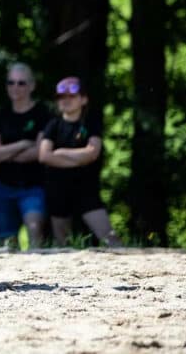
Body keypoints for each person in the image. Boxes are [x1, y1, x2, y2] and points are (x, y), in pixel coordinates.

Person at [38, 76, 122, 247]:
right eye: (62, 96)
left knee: (110, 238)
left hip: (86, 190)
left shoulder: (91, 123)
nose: (66, 100)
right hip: (58, 190)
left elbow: (92, 153)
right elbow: (44, 156)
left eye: (72, 96)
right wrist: (79, 159)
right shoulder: (53, 125)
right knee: (63, 244)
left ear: (83, 99)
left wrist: (61, 153)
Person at [0, 62, 52, 249]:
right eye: (11, 82)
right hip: (2, 186)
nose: (15, 87)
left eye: (21, 83)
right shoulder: (0, 114)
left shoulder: (42, 113)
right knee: (8, 243)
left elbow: (40, 152)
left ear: (32, 85)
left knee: (35, 230)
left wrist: (4, 152)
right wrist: (23, 144)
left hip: (32, 186)